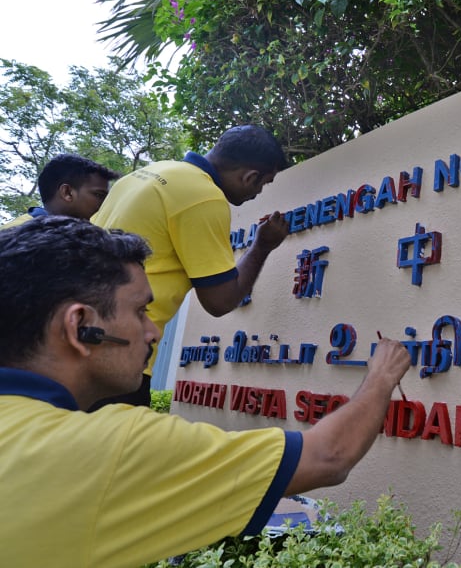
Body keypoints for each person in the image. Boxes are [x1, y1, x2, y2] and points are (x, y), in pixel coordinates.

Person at [0, 216, 412, 568]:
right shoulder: (112, 448)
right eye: (140, 311)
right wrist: (381, 375)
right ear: (80, 326)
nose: (153, 331)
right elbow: (327, 457)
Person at [91, 124, 291, 407]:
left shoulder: (144, 174)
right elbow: (220, 301)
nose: (258, 193)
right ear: (251, 176)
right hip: (117, 355)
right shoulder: (204, 196)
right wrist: (262, 246)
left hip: (78, 343)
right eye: (263, 183)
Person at [0, 153, 120, 228]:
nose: (105, 203)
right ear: (67, 193)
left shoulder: (58, 234)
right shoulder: (20, 238)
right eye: (99, 195)